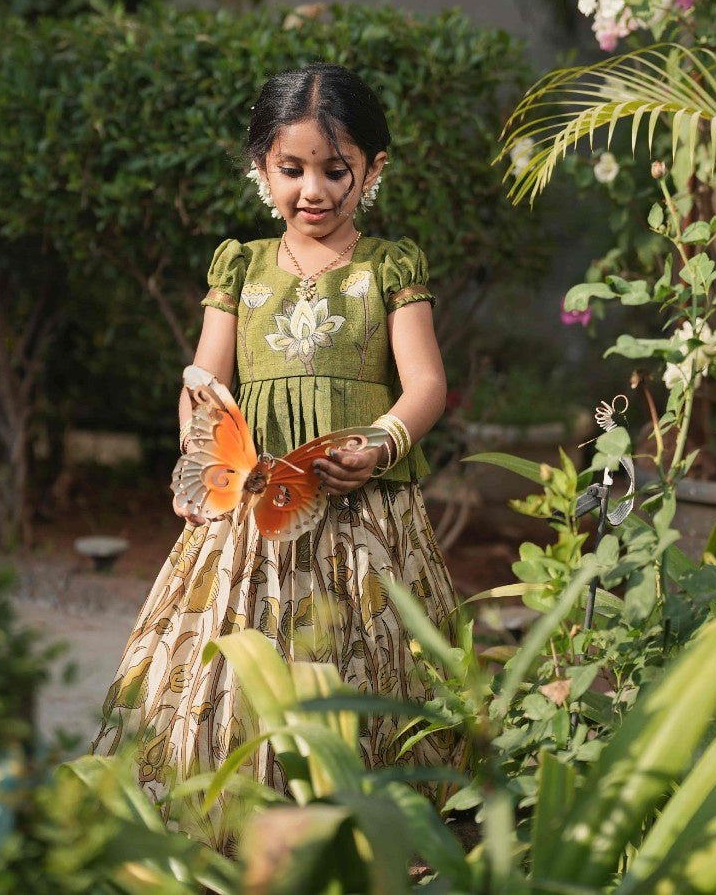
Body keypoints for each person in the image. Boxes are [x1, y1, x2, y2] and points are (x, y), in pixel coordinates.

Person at [91, 61, 458, 841]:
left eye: (335, 170)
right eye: (291, 170)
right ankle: (226, 819)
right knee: (229, 660)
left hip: (364, 516)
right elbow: (205, 382)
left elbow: (424, 384)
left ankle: (366, 832)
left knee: (365, 658)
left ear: (373, 170)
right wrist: (195, 463)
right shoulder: (242, 267)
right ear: (261, 169)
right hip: (247, 519)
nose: (313, 191)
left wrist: (380, 443)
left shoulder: (386, 267)